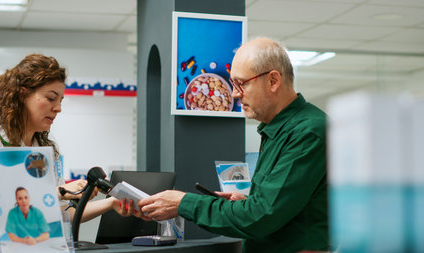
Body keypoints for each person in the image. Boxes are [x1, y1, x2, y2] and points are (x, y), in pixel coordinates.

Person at [137, 37, 328, 252]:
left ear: (273, 81)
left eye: (241, 83)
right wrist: (246, 202)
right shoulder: (277, 129)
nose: (235, 93)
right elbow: (281, 206)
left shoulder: (307, 131)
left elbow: (262, 216)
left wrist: (183, 204)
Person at [0, 54, 136, 222]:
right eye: (51, 98)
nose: (58, 108)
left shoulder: (45, 151)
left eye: (60, 101)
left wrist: (111, 204)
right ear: (22, 94)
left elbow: (62, 213)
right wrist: (60, 192)